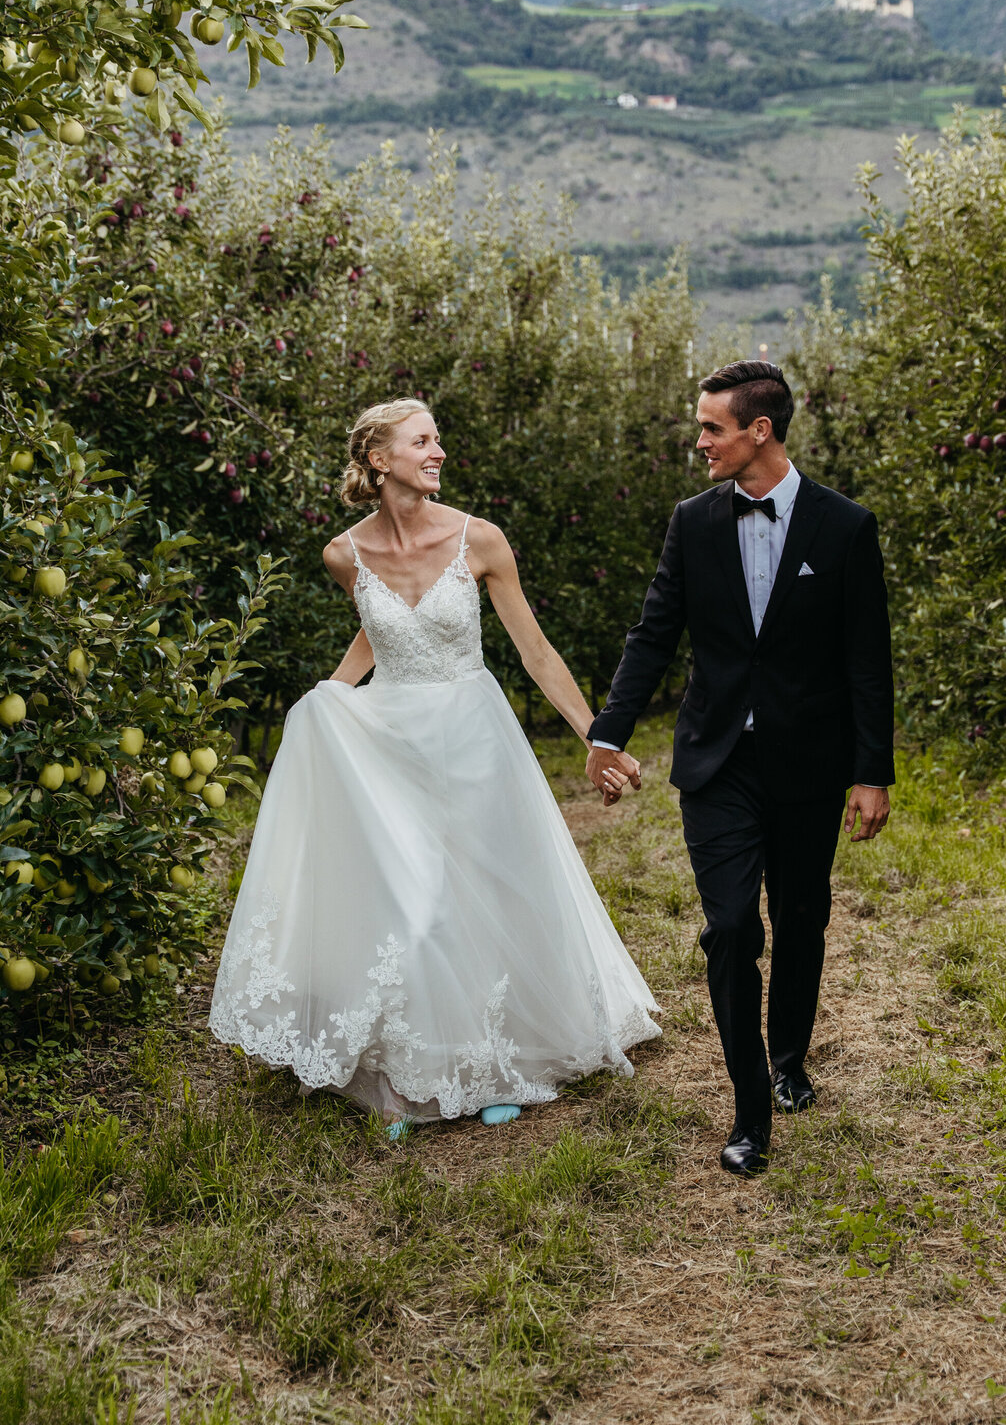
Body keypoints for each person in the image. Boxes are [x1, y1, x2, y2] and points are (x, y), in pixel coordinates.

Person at [209, 397, 659, 1133]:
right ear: (380, 459)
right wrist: (327, 701)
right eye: (423, 441)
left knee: (479, 894)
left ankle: (494, 1066)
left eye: (438, 440)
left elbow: (534, 652)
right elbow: (378, 636)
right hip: (394, 739)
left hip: (473, 735)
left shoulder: (480, 540)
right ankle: (413, 1069)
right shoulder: (343, 554)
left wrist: (596, 736)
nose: (439, 451)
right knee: (413, 906)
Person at [586, 361, 893, 1176]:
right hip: (717, 761)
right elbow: (654, 634)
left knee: (801, 918)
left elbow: (869, 661)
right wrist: (607, 733)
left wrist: (872, 772)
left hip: (809, 762)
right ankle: (750, 1109)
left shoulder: (845, 527)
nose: (700, 442)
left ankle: (789, 1059)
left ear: (760, 431)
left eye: (712, 427)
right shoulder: (693, 522)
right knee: (730, 929)